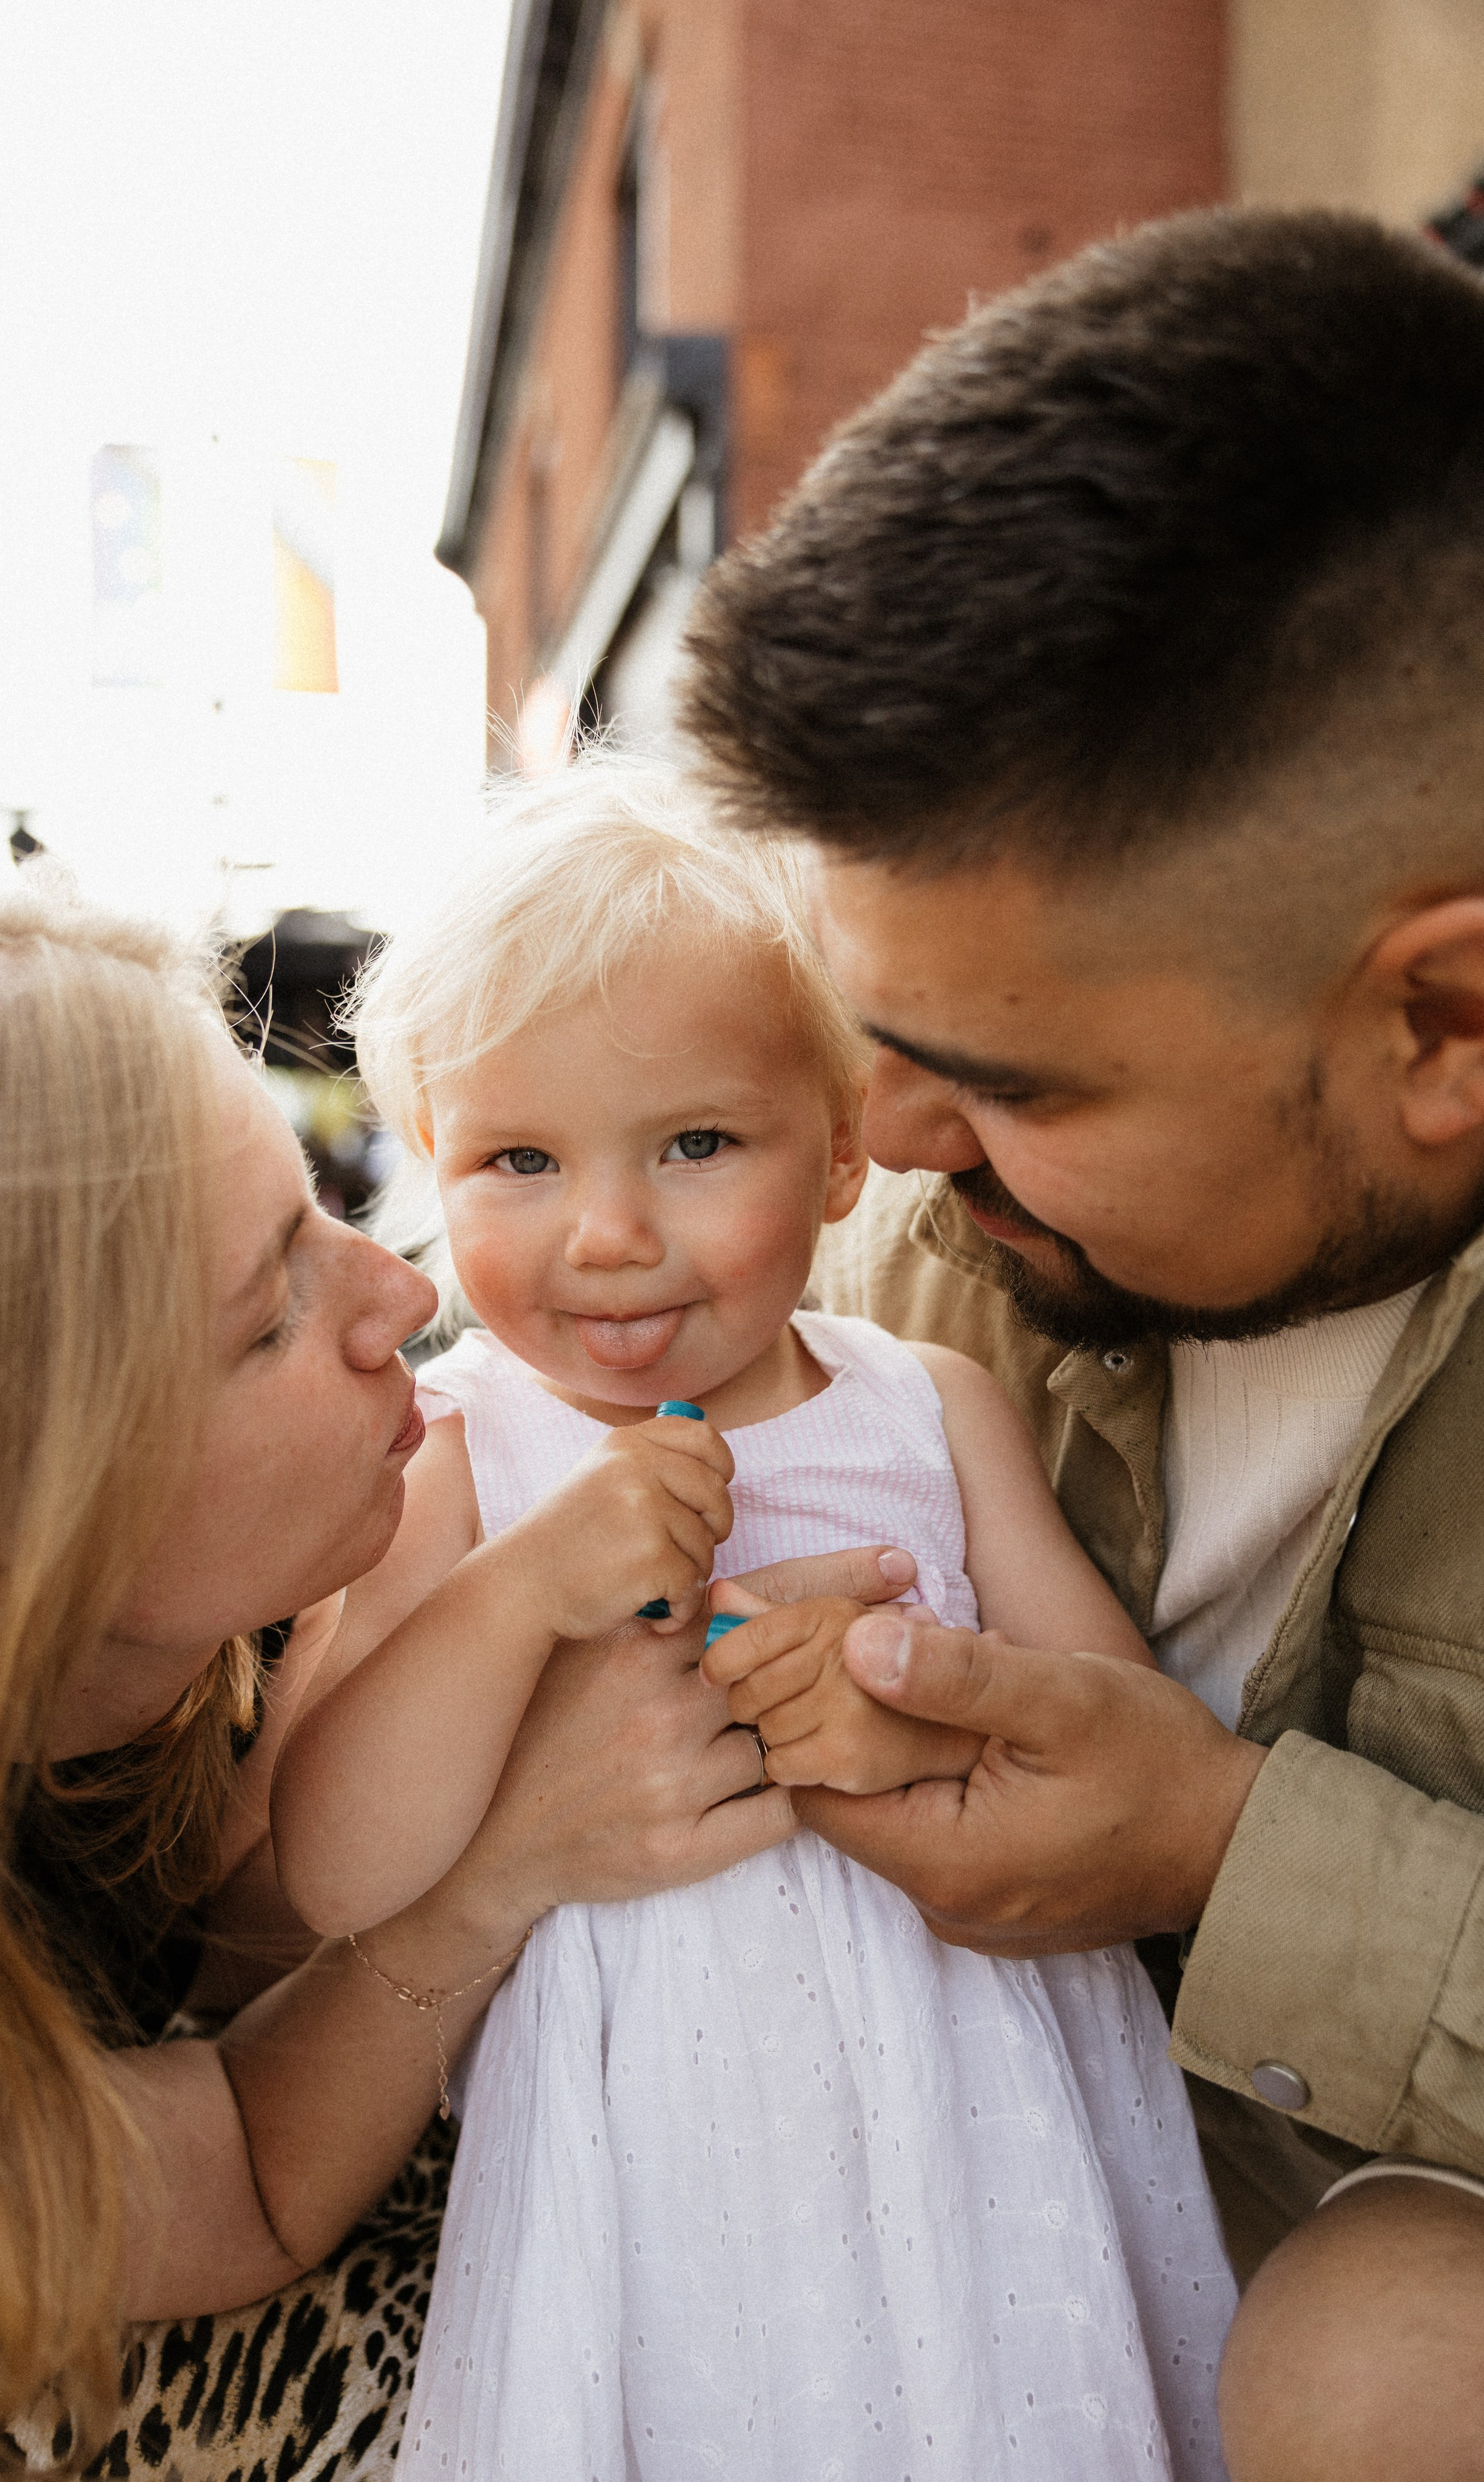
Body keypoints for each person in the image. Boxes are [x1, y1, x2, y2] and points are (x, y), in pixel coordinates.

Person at [677, 205, 1484, 2479]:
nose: (885, 1140)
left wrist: (1226, 1856)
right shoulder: (908, 1251)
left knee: (1387, 2366)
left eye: (1007, 1081)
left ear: (1445, 1019)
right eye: (866, 1030)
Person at [0, 886, 909, 2481]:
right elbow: (238, 2184)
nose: (405, 1296)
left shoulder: (306, 1591)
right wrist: (505, 1860)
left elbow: (249, 1940)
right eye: (271, 1310)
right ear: (9, 1520)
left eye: (321, 1205)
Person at [270, 766, 1236, 2481]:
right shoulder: (468, 1453)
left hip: (982, 2122)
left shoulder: (925, 1407)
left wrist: (910, 1706)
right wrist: (521, 1590)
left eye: (697, 1144)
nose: (609, 1235)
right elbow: (338, 1872)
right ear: (429, 1155)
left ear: (844, 1150)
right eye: (518, 1159)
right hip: (655, 2164)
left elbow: (1113, 1725)